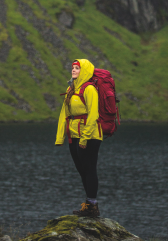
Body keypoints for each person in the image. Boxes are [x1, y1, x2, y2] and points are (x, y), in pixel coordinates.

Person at [55, 59, 102, 217]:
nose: (73, 70)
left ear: (85, 71)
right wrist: (60, 137)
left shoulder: (90, 89)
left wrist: (84, 138)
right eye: (73, 68)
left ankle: (92, 206)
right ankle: (88, 205)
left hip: (90, 136)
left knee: (89, 169)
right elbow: (64, 114)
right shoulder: (71, 88)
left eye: (77, 68)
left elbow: (94, 114)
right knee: (82, 170)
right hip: (73, 134)